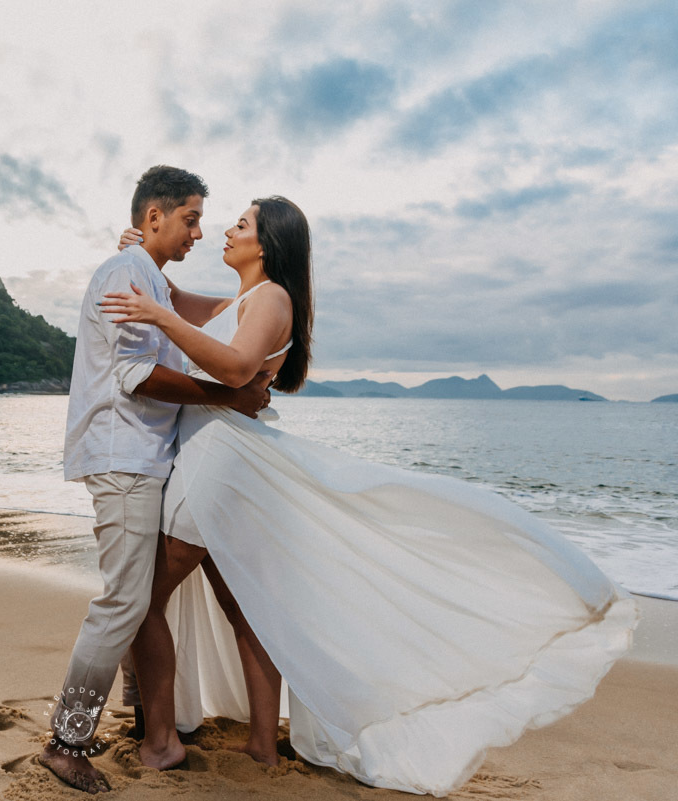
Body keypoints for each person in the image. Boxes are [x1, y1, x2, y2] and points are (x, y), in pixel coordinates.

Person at [99, 196, 639, 796]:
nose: (227, 230)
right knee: (243, 607)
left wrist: (161, 317)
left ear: (268, 244)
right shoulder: (242, 301)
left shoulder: (272, 299)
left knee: (142, 598)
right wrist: (142, 254)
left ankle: (163, 742)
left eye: (242, 224)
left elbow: (234, 368)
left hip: (216, 464)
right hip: (220, 460)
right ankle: (261, 746)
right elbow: (171, 299)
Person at [42, 166, 274, 795]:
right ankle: (66, 742)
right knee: (124, 601)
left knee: (135, 598)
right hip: (123, 458)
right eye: (191, 219)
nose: (198, 232)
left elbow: (214, 318)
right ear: (155, 217)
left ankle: (148, 721)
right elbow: (136, 375)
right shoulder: (127, 274)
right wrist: (229, 396)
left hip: (140, 458)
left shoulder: (147, 278)